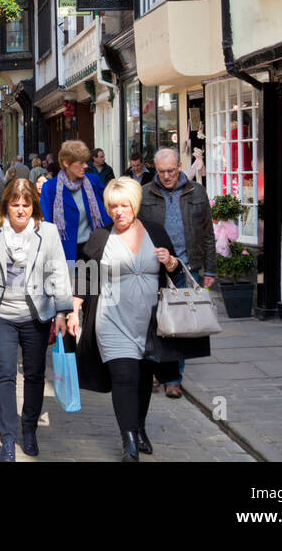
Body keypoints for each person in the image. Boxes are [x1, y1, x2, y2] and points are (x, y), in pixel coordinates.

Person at [70, 177, 211, 461]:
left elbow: (175, 274)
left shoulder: (156, 233)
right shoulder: (100, 237)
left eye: (124, 205)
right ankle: (129, 440)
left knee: (145, 378)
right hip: (111, 320)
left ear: (134, 204)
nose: (118, 212)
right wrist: (74, 311)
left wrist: (170, 261)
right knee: (125, 375)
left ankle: (140, 426)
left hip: (150, 321)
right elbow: (86, 279)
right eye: (113, 207)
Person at [0, 176, 72, 461]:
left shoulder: (47, 232)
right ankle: (8, 437)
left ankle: (29, 428)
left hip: (36, 315)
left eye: (26, 204)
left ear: (33, 206)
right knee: (5, 372)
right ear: (6, 205)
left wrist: (62, 311)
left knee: (35, 374)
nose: (21, 210)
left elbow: (59, 272)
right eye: (15, 204)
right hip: (1, 314)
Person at [139, 147, 216, 399]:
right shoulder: (144, 193)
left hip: (186, 266)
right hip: (153, 267)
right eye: (161, 172)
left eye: (171, 170)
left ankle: (173, 378)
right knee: (153, 322)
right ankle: (153, 371)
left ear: (180, 166)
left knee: (179, 325)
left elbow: (207, 234)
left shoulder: (197, 191)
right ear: (155, 169)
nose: (167, 176)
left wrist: (210, 269)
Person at [38, 140, 112, 265]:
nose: (86, 166)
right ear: (66, 163)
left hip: (94, 249)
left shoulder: (93, 181)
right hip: (65, 252)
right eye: (81, 163)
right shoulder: (50, 187)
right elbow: (46, 224)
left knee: (93, 284)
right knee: (72, 284)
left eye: (86, 162)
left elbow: (109, 210)